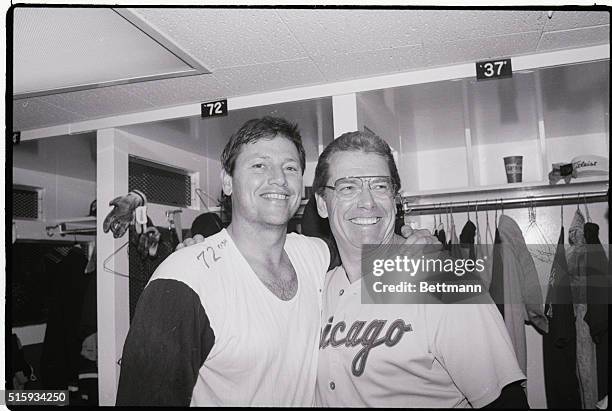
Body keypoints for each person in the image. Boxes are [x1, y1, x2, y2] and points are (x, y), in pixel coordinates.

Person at [115, 117, 331, 406]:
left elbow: (379, 263)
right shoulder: (184, 278)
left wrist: (412, 242)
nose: (279, 178)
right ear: (227, 182)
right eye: (259, 165)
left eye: (290, 167)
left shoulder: (315, 255)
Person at [312, 131, 528, 408]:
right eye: (348, 187)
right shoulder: (317, 287)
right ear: (321, 203)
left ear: (396, 199)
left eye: (380, 186)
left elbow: (506, 401)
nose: (367, 202)